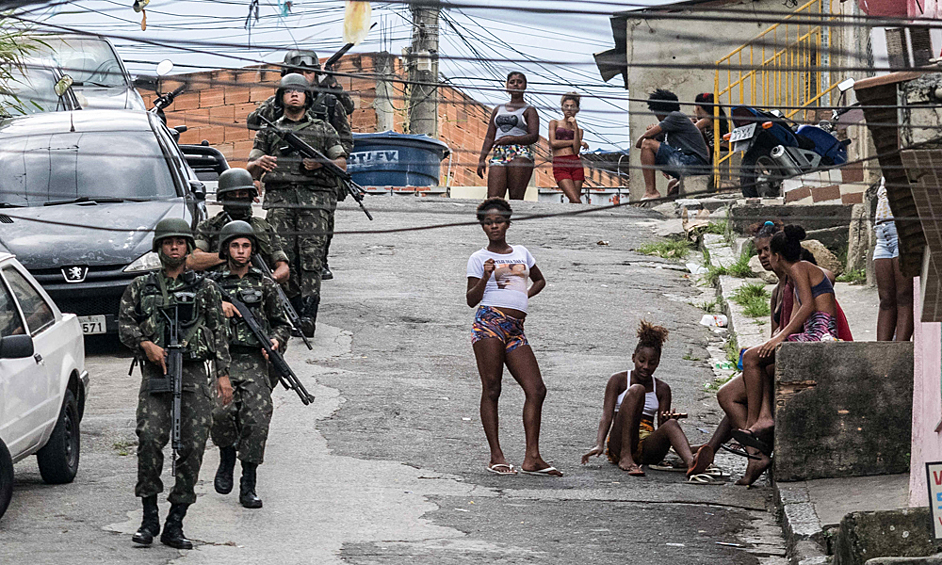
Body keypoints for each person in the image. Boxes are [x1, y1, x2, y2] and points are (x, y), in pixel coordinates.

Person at [118, 218, 232, 549]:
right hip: (157, 373)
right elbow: (125, 324)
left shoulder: (205, 288)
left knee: (192, 445)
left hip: (195, 372)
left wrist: (222, 374)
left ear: (188, 247)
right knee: (150, 439)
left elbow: (219, 331)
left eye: (180, 242)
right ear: (160, 247)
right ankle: (149, 516)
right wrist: (145, 344)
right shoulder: (141, 287)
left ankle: (176, 520)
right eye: (169, 243)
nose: (174, 247)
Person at [732, 225, 839, 485]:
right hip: (813, 330)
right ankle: (759, 420)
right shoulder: (794, 274)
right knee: (755, 357)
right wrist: (777, 338)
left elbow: (808, 307)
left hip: (820, 332)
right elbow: (794, 315)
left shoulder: (800, 268)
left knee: (751, 358)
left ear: (778, 255)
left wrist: (780, 338)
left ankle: (756, 422)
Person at [247, 73, 347, 338]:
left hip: (315, 204)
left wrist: (320, 163)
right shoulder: (269, 130)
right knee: (282, 257)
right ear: (281, 97)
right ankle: (292, 310)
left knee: (311, 258)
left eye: (299, 91)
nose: (294, 94)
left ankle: (309, 313)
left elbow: (342, 164)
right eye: (288, 91)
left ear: (307, 97)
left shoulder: (324, 129)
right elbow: (251, 167)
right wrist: (259, 165)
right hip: (280, 202)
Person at [466, 197, 561, 476]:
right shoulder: (478, 258)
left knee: (536, 389)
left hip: (516, 328)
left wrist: (522, 296)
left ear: (508, 222)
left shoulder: (521, 252)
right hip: (489, 325)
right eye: (488, 223)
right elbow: (471, 300)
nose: (493, 227)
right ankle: (496, 456)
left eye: (498, 221)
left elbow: (539, 279)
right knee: (492, 388)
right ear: (482, 226)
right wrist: (485, 277)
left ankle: (532, 458)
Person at [247, 49, 355, 282]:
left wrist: (327, 162)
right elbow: (253, 124)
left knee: (320, 230)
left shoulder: (328, 101)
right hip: (284, 181)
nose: (303, 77)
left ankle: (319, 262)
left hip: (320, 178)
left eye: (308, 72)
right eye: (297, 72)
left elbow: (345, 139)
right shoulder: (280, 102)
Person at [208, 221, 291, 509]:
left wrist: (276, 341)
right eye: (235, 245)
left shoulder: (264, 283)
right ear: (226, 248)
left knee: (257, 420)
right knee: (220, 414)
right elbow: (195, 318)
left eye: (245, 246)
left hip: (256, 362)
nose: (241, 251)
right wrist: (217, 307)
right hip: (224, 361)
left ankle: (248, 482)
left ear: (253, 249)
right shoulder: (212, 285)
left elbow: (282, 323)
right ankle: (227, 455)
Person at [581, 320, 712, 478]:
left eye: (652, 363)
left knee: (671, 424)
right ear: (633, 357)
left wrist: (668, 420)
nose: (646, 367)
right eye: (641, 361)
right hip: (620, 440)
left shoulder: (662, 389)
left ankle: (691, 463)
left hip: (646, 446)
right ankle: (625, 456)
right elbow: (606, 416)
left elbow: (661, 428)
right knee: (637, 390)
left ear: (658, 363)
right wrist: (599, 443)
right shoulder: (618, 380)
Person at [189, 167, 290, 284]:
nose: (237, 198)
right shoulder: (209, 226)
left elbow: (283, 266)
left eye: (243, 193)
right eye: (232, 194)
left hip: (258, 289)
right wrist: (229, 256)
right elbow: (192, 261)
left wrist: (271, 280)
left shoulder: (264, 227)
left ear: (251, 196)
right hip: (221, 289)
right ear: (223, 197)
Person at [635, 89, 710, 200]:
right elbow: (638, 144)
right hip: (692, 164)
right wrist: (653, 133)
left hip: (695, 164)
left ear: (659, 110)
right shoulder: (669, 126)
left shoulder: (675, 116)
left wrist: (650, 132)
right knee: (671, 186)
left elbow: (645, 142)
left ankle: (650, 191)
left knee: (648, 144)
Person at [476, 72, 540, 200]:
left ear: (525, 86)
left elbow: (534, 136)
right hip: (499, 153)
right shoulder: (498, 109)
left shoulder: (529, 110)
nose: (515, 84)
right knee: (493, 198)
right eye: (512, 82)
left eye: (519, 81)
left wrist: (512, 139)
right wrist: (482, 159)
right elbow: (490, 136)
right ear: (507, 86)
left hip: (519, 152)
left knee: (516, 197)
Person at [873, 177, 914, 341]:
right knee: (885, 298)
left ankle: (899, 349)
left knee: (904, 295)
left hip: (902, 232)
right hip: (882, 236)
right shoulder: (887, 170)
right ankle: (881, 351)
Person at [548, 92, 589, 204]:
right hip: (560, 163)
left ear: (577, 109)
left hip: (575, 163)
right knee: (576, 200)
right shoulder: (554, 123)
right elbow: (553, 143)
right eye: (566, 106)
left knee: (574, 201)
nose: (569, 109)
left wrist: (575, 127)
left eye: (572, 106)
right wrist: (576, 142)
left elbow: (576, 150)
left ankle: (573, 221)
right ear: (562, 108)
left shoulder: (579, 130)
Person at [692, 92, 729, 159]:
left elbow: (691, 129)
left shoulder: (706, 120)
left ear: (698, 107)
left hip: (718, 147)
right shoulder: (713, 118)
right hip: (723, 146)